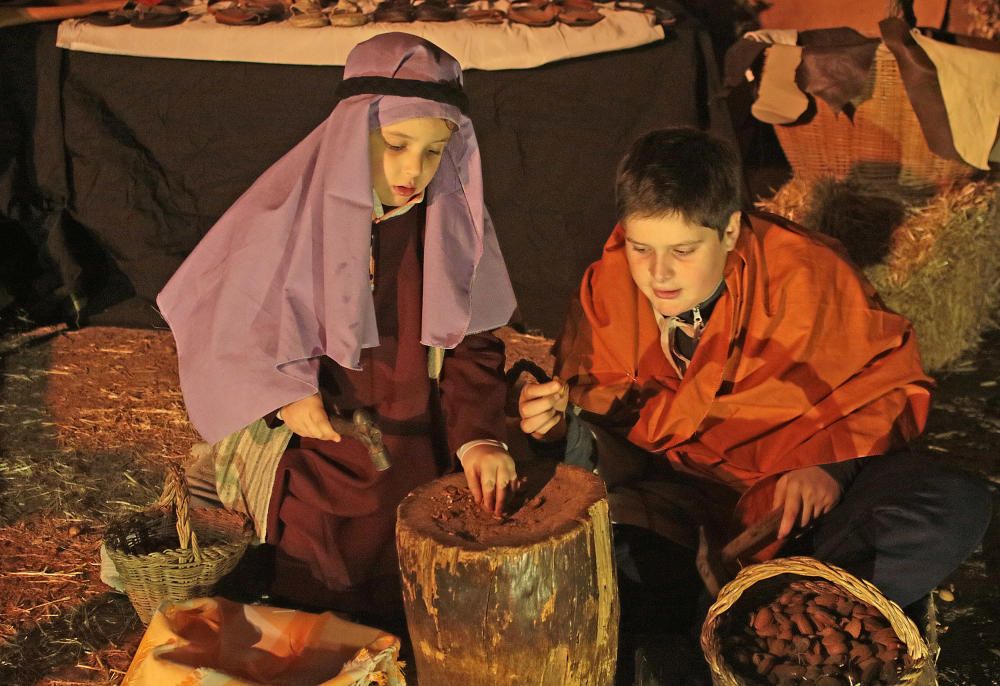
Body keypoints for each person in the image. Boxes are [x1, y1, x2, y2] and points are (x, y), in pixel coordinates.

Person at [518, 128, 991, 636]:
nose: (658, 275)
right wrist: (561, 432)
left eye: (682, 250)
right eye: (640, 248)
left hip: (795, 512)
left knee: (951, 502)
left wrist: (829, 465)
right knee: (597, 563)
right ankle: (779, 618)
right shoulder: (606, 289)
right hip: (681, 504)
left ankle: (777, 618)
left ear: (728, 232)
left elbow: (883, 385)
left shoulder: (803, 273)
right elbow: (615, 445)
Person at [156, 33, 519, 618]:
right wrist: (285, 393)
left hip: (416, 448)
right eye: (396, 144)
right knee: (317, 595)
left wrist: (477, 433)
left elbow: (471, 340)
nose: (414, 170)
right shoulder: (290, 215)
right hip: (322, 456)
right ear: (353, 134)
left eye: (434, 151)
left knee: (412, 595)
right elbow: (230, 313)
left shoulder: (446, 224)